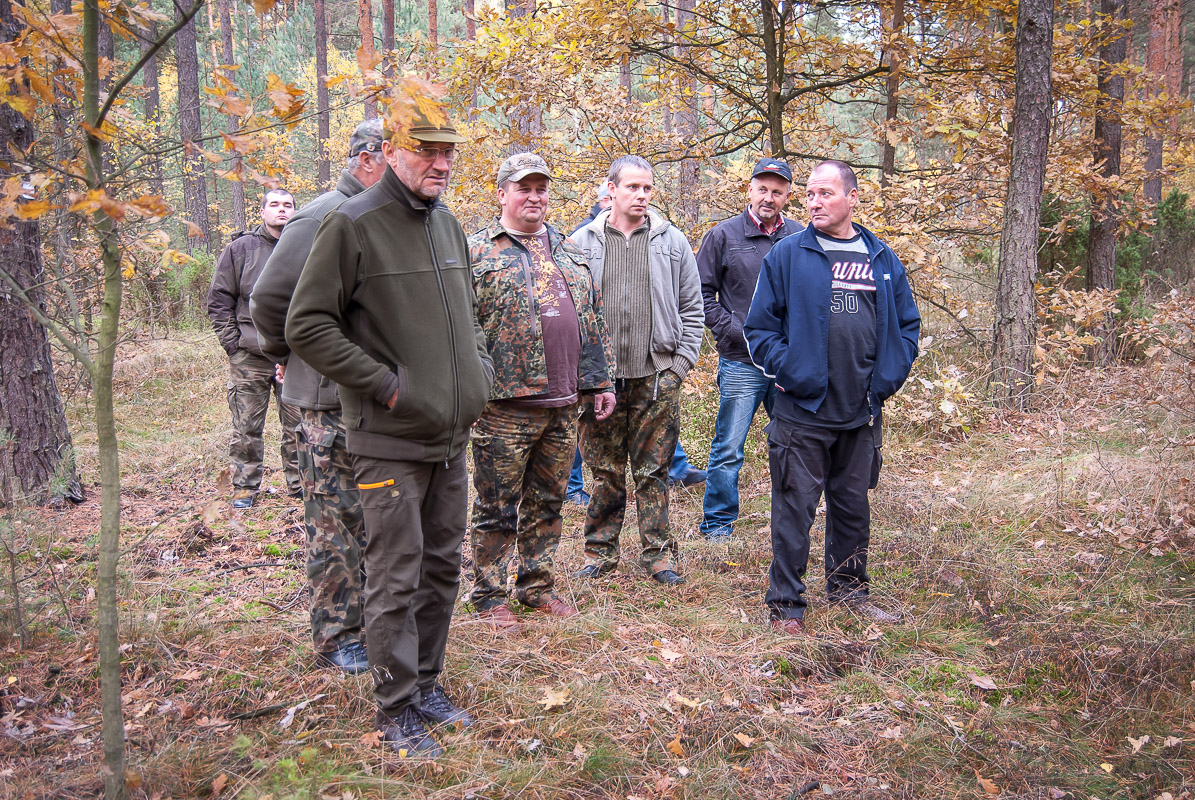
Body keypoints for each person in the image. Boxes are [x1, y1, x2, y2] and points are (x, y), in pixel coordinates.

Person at [285, 110, 493, 759]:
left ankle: (426, 684)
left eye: (448, 152)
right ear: (392, 151)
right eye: (426, 151)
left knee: (440, 568)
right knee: (395, 574)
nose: (441, 163)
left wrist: (479, 373)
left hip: (450, 437)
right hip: (387, 438)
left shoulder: (446, 223)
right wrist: (387, 385)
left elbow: (467, 317)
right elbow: (305, 324)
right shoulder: (351, 224)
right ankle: (395, 708)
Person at [744, 160, 920, 635]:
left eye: (826, 193)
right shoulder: (787, 255)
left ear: (852, 197)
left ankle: (849, 593)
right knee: (793, 510)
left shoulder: (881, 258)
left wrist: (886, 378)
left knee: (852, 507)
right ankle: (786, 606)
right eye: (810, 195)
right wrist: (792, 372)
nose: (815, 202)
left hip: (860, 412)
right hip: (803, 412)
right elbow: (759, 329)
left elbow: (907, 326)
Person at [249, 120, 386, 675]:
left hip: (374, 397)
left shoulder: (383, 214)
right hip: (326, 402)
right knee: (334, 519)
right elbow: (268, 298)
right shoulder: (322, 216)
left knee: (371, 515)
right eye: (398, 154)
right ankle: (337, 636)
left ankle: (371, 623)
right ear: (368, 158)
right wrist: (288, 352)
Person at [466, 153, 616, 630]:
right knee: (496, 505)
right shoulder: (476, 252)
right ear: (502, 194)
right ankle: (488, 596)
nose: (534, 197)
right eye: (523, 188)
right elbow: (461, 328)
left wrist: (600, 381)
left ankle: (536, 586)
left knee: (548, 502)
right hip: (504, 404)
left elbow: (591, 318)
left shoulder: (568, 249)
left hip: (564, 402)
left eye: (541, 188)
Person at [571, 156, 703, 585]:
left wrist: (677, 368)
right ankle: (599, 554)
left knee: (654, 472)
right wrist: (584, 376)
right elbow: (570, 312)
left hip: (656, 377)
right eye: (632, 187)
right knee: (604, 473)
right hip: (600, 382)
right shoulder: (581, 243)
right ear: (610, 189)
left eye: (647, 188)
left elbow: (693, 308)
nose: (642, 196)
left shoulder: (672, 242)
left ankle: (659, 557)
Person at [698, 157, 801, 540]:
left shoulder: (800, 237)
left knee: (792, 445)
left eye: (777, 192)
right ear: (750, 190)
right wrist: (734, 330)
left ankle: (790, 523)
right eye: (762, 189)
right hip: (741, 362)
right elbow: (699, 295)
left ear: (787, 196)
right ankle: (718, 525)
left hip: (788, 364)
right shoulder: (723, 236)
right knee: (729, 448)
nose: (768, 198)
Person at [206, 188, 300, 509]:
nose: (281, 210)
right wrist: (233, 345)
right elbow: (219, 300)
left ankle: (300, 485)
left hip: (295, 355)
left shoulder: (305, 245)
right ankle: (245, 489)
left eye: (287, 205)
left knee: (298, 425)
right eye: (274, 204)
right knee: (246, 427)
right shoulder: (241, 249)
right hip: (250, 355)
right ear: (262, 212)